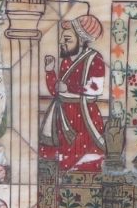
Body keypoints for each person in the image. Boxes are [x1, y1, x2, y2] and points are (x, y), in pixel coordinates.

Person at [40, 12, 107, 171]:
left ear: (82, 41)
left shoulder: (95, 59)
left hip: (84, 117)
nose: (61, 42)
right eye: (62, 39)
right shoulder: (65, 61)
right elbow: (57, 91)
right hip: (63, 118)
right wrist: (50, 72)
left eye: (67, 39)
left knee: (85, 161)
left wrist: (69, 88)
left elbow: (96, 88)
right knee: (60, 160)